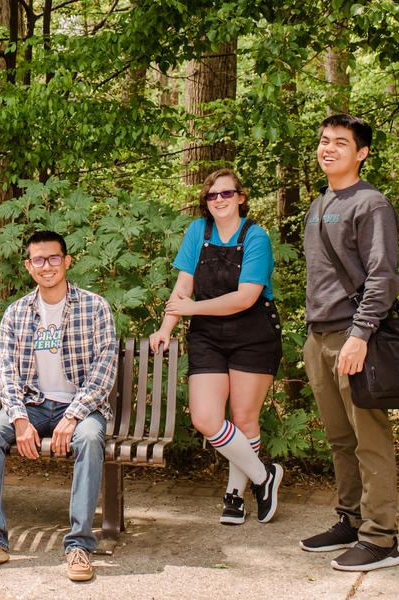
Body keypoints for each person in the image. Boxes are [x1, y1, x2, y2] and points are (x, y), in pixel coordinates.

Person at [0, 231, 116, 582]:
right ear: (29, 267)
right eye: (39, 260)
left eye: (54, 258)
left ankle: (79, 545)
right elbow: (7, 374)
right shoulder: (16, 313)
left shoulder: (95, 307)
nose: (47, 266)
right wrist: (18, 419)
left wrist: (74, 415)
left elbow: (104, 370)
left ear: (67, 261)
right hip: (31, 405)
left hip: (79, 406)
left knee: (90, 439)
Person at [150, 168, 285, 527]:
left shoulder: (256, 237)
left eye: (227, 194)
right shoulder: (198, 231)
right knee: (206, 418)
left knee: (244, 418)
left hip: (253, 333)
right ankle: (263, 476)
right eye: (212, 196)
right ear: (205, 203)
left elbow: (245, 297)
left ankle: (235, 495)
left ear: (241, 197)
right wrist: (166, 328)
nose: (220, 201)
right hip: (208, 335)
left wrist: (192, 308)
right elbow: (183, 287)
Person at [298, 114, 399, 572]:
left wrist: (360, 336)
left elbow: (383, 276)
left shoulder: (370, 203)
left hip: (353, 338)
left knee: (369, 438)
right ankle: (351, 517)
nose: (329, 148)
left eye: (341, 143)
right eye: (324, 141)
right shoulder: (319, 203)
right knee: (340, 439)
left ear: (361, 153)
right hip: (317, 338)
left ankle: (382, 538)